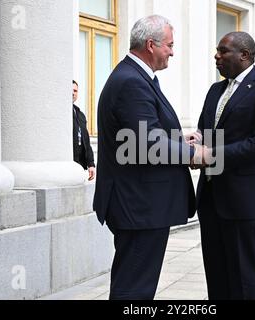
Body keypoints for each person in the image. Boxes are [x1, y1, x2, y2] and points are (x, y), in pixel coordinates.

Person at [93, 15, 201, 300]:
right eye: (170, 45)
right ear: (151, 45)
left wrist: (178, 140)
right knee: (134, 289)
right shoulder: (132, 81)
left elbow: (143, 133)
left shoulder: (137, 77)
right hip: (138, 205)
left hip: (140, 203)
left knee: (136, 284)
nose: (173, 52)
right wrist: (193, 154)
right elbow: (148, 142)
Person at [194, 32, 255, 300]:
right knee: (217, 275)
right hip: (211, 199)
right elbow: (206, 130)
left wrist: (209, 154)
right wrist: (194, 141)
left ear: (244, 55)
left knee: (247, 278)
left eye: (223, 51)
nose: (216, 55)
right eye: (217, 50)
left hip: (246, 200)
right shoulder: (215, 90)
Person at [72, 80, 95, 181]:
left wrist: (91, 164)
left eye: (75, 91)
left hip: (80, 166)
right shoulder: (61, 114)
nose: (73, 93)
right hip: (68, 163)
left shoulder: (80, 115)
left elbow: (86, 141)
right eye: (70, 90)